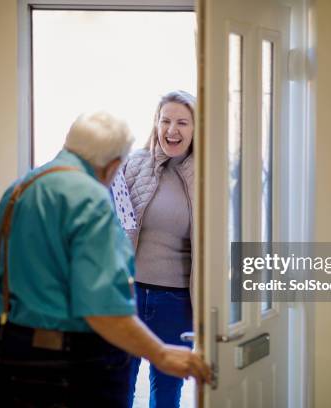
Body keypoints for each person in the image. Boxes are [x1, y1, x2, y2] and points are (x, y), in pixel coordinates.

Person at [0, 112, 210, 408]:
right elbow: (104, 309)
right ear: (113, 165)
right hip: (62, 365)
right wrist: (162, 354)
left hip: (5, 348)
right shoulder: (89, 200)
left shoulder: (21, 187)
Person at [120, 91, 196, 408]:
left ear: (196, 128)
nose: (171, 130)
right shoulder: (134, 164)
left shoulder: (207, 176)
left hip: (176, 302)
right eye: (165, 120)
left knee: (166, 395)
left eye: (181, 122)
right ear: (156, 122)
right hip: (130, 295)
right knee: (119, 387)